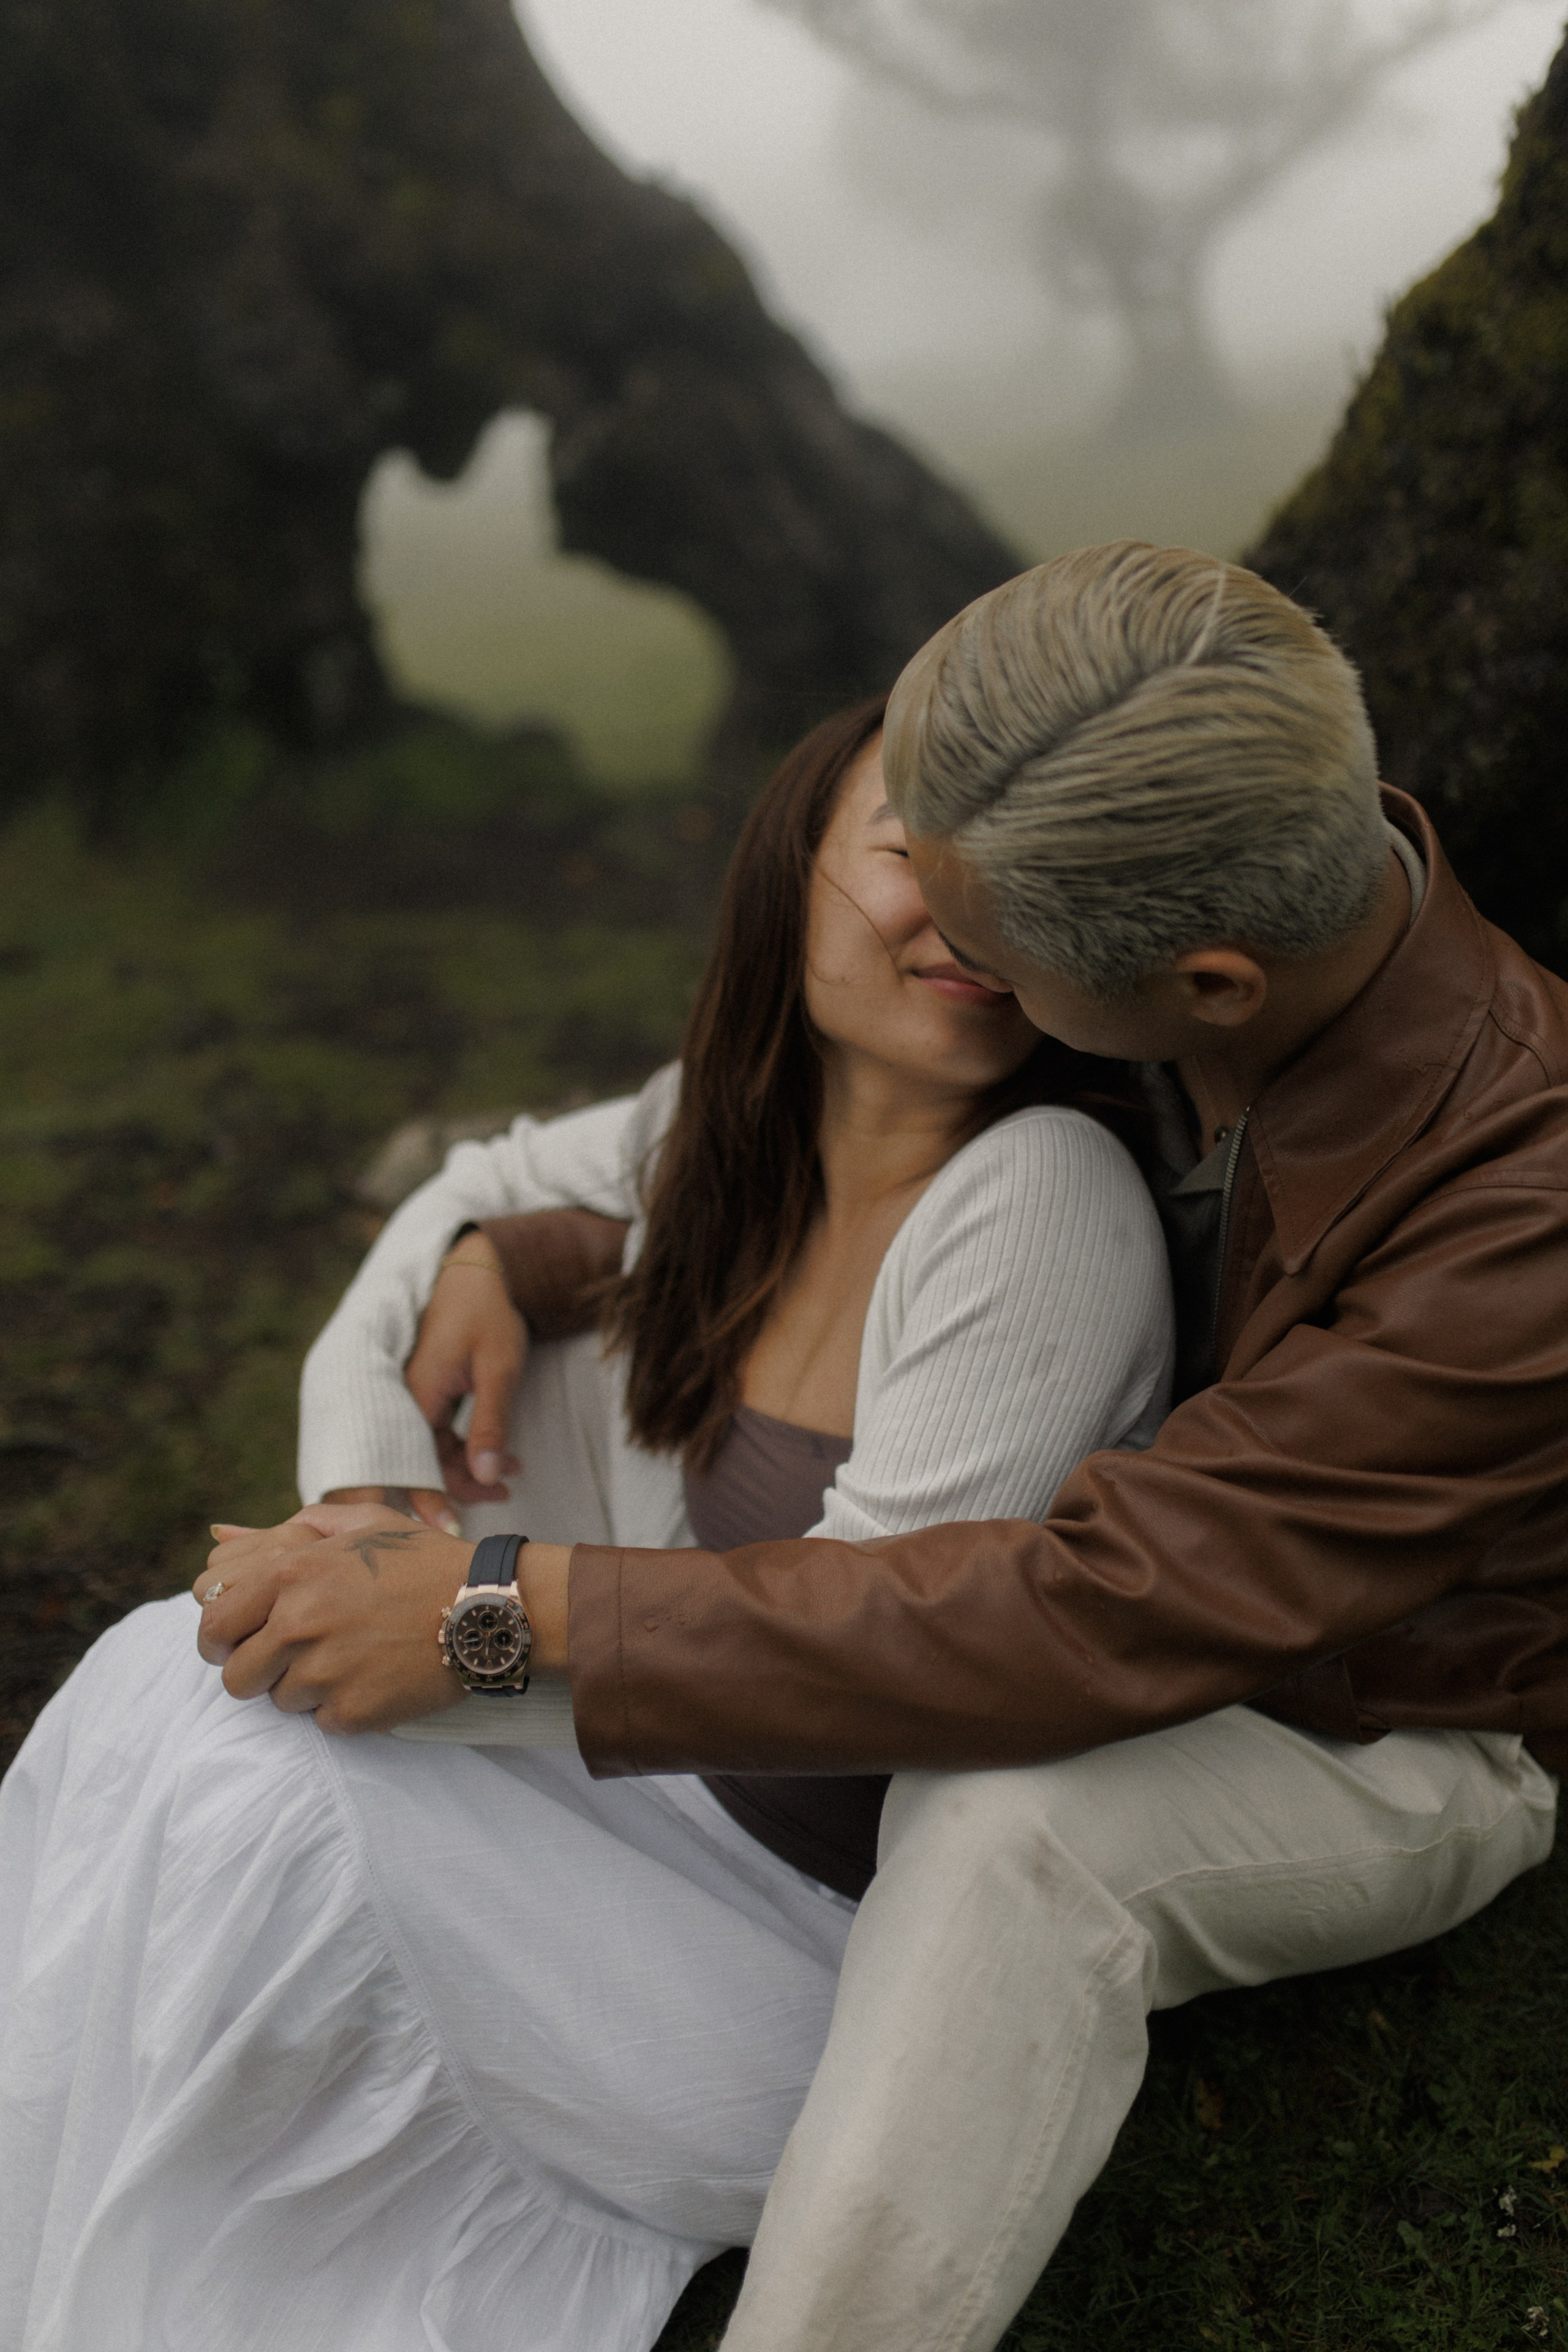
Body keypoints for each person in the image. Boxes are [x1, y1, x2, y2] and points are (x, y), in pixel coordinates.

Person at [276, 540, 1568, 2352]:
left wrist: (501, 1619)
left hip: (1386, 1713)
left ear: (1205, 990)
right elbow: (697, 1157)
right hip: (1105, 1578)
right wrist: (538, 1254)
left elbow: (1096, 1614)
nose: (939, 954)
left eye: (991, 951)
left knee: (1015, 1826)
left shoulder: (1526, 1218)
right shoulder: (1176, 856)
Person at [0, 700, 1172, 2351]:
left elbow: (874, 1656)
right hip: (658, 1824)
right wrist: (375, 1499)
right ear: (795, 871)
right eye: (916, 852)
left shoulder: (1047, 1191)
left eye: (1019, 874)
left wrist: (460, 1621)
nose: (967, 911)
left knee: (268, 1808)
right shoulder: (722, 1133)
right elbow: (464, 1191)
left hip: (823, 1964)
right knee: (159, 1693)